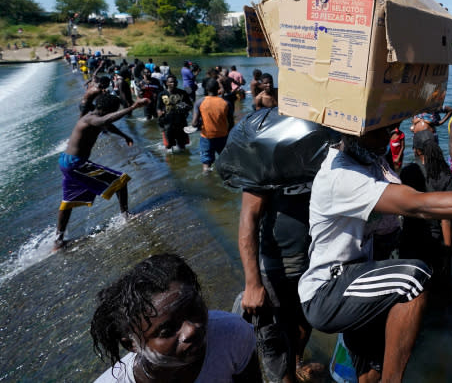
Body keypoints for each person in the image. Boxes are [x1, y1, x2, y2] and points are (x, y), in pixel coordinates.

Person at [298, 126, 452, 383]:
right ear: (349, 132)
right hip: (328, 290)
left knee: (370, 371)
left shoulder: (370, 161)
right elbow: (416, 204)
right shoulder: (342, 176)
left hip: (359, 282)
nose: (385, 141)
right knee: (414, 280)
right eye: (375, 134)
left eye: (388, 132)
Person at [229, 110, 337, 383]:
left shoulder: (320, 154)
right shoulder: (266, 157)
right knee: (275, 341)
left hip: (313, 261)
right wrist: (253, 284)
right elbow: (248, 221)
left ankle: (297, 360)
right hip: (276, 266)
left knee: (304, 322)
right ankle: (286, 375)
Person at [90, 253, 261, 383]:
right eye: (168, 330)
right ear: (132, 344)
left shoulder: (231, 334)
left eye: (193, 309)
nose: (192, 329)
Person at [55, 94, 149, 248]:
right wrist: (132, 107)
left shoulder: (94, 117)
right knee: (121, 181)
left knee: (69, 201)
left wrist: (124, 135)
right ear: (108, 109)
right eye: (114, 110)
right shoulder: (90, 118)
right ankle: (126, 215)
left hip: (68, 162)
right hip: (76, 164)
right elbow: (105, 121)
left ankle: (58, 241)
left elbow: (107, 125)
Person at [398, 130, 452, 293]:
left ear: (416, 150)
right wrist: (448, 251)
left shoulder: (409, 171)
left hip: (410, 236)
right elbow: (446, 218)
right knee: (438, 285)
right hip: (435, 239)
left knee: (410, 287)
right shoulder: (445, 174)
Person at [191, 77, 234, 172]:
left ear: (206, 89)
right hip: (223, 136)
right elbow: (231, 124)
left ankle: (207, 180)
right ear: (218, 89)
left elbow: (194, 124)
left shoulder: (199, 102)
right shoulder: (226, 103)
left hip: (207, 137)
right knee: (225, 161)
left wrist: (200, 125)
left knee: (206, 164)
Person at [156, 75, 193, 152]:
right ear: (167, 83)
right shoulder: (162, 94)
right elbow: (158, 108)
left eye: (175, 82)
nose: (173, 83)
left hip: (181, 122)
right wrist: (160, 113)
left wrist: (186, 106)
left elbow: (190, 106)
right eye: (171, 82)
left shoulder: (182, 93)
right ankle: (170, 162)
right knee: (169, 146)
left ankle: (183, 161)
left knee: (182, 145)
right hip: (167, 123)